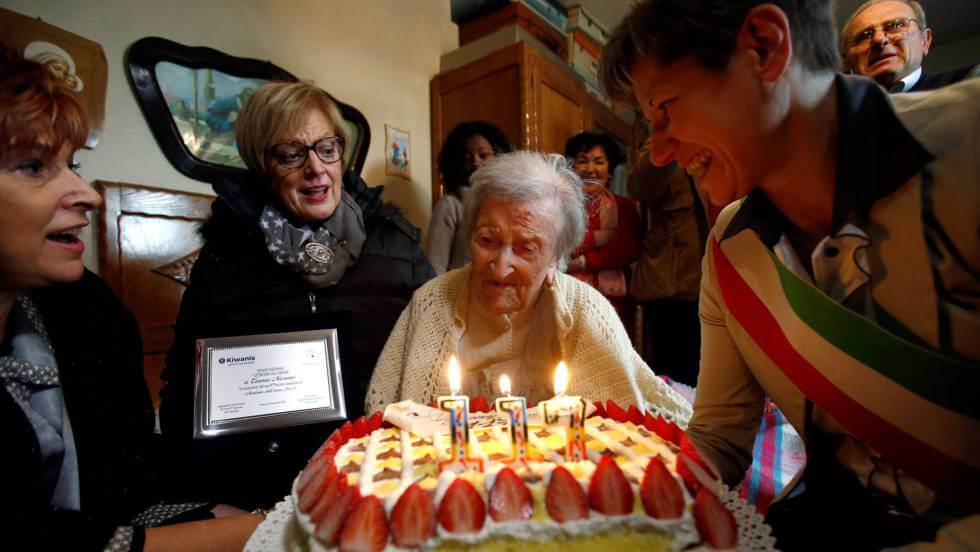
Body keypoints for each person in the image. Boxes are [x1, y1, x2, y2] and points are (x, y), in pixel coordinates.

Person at [600, 0, 979, 549]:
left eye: (664, 109)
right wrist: (626, 505)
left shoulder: (968, 147)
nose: (658, 153)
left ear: (765, 46)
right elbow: (719, 439)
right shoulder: (729, 252)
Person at [0, 50, 260, 551]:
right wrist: (252, 528)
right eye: (34, 166)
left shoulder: (86, 306)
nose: (87, 195)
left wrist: (229, 501)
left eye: (72, 164)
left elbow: (133, 464)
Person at [160, 81, 435, 509]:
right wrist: (208, 498)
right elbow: (183, 389)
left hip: (383, 474)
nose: (316, 168)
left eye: (328, 148)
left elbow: (437, 358)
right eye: (291, 154)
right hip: (265, 488)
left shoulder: (397, 245)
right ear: (260, 162)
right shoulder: (225, 259)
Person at [366, 151, 692, 424]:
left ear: (556, 259)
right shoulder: (430, 302)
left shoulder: (586, 309)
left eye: (526, 248)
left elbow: (622, 428)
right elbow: (385, 420)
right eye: (487, 240)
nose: (501, 265)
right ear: (469, 238)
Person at [627, 143, 709, 387]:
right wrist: (670, 142)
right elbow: (639, 186)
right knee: (675, 380)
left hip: (719, 281)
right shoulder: (666, 139)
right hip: (671, 284)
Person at [563, 132, 641, 340]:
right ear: (572, 168)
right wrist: (603, 237)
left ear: (610, 172)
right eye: (582, 161)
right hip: (567, 296)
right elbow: (561, 245)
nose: (590, 169)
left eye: (599, 162)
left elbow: (627, 249)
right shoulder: (560, 207)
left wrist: (582, 261)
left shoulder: (624, 206)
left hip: (615, 302)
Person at [427, 121, 513, 274]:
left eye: (483, 155)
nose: (476, 162)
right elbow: (434, 268)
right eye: (467, 158)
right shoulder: (450, 206)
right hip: (458, 293)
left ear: (499, 156)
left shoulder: (510, 205)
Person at [840, 0, 979, 92]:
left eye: (895, 26)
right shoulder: (832, 122)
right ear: (846, 61)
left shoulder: (971, 81)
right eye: (865, 36)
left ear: (925, 41)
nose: (878, 39)